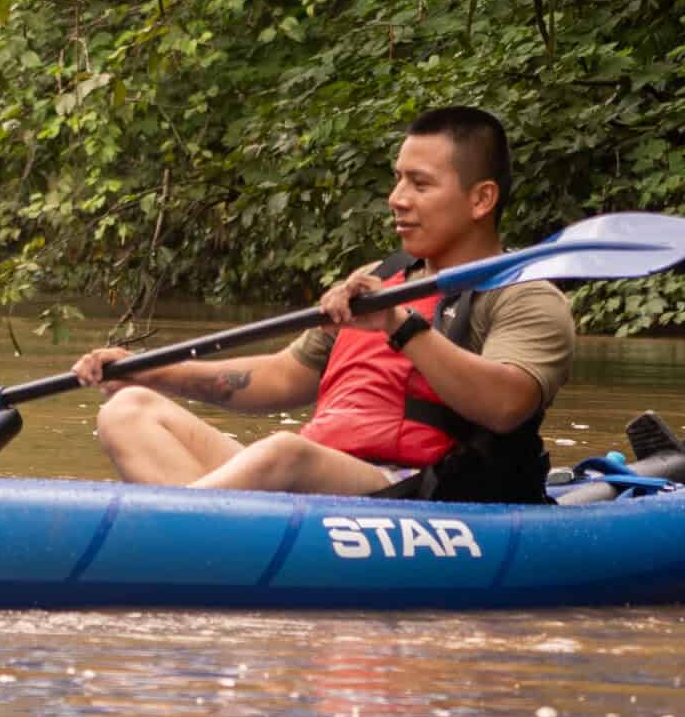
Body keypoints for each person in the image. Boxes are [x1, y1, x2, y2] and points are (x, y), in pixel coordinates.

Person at [71, 106, 574, 502]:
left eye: (420, 184)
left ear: (481, 200)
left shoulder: (523, 295)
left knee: (284, 452)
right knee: (129, 409)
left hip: (422, 493)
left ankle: (163, 534)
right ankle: (199, 538)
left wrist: (398, 325)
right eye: (398, 179)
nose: (397, 198)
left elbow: (508, 407)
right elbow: (282, 377)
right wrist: (148, 373)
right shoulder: (377, 279)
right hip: (324, 477)